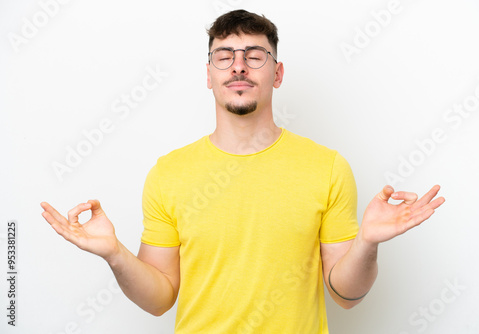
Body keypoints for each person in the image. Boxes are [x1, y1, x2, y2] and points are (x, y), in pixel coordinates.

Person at [40, 9, 445, 333]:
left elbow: (345, 295)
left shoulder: (328, 168)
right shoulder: (169, 173)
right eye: (224, 56)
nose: (239, 66)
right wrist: (115, 254)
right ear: (209, 75)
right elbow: (159, 298)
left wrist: (368, 242)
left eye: (254, 55)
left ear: (277, 73)